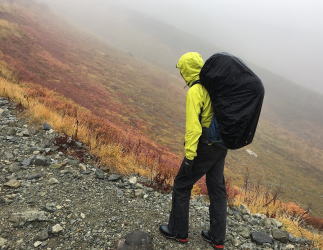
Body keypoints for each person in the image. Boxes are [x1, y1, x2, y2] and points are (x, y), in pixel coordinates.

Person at [159, 52, 228, 249]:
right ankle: (217, 237)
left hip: (205, 144)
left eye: (182, 71)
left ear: (187, 70)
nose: (181, 75)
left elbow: (194, 128)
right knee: (217, 189)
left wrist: (189, 156)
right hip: (221, 144)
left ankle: (178, 232)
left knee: (182, 185)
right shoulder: (216, 86)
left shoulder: (196, 90)